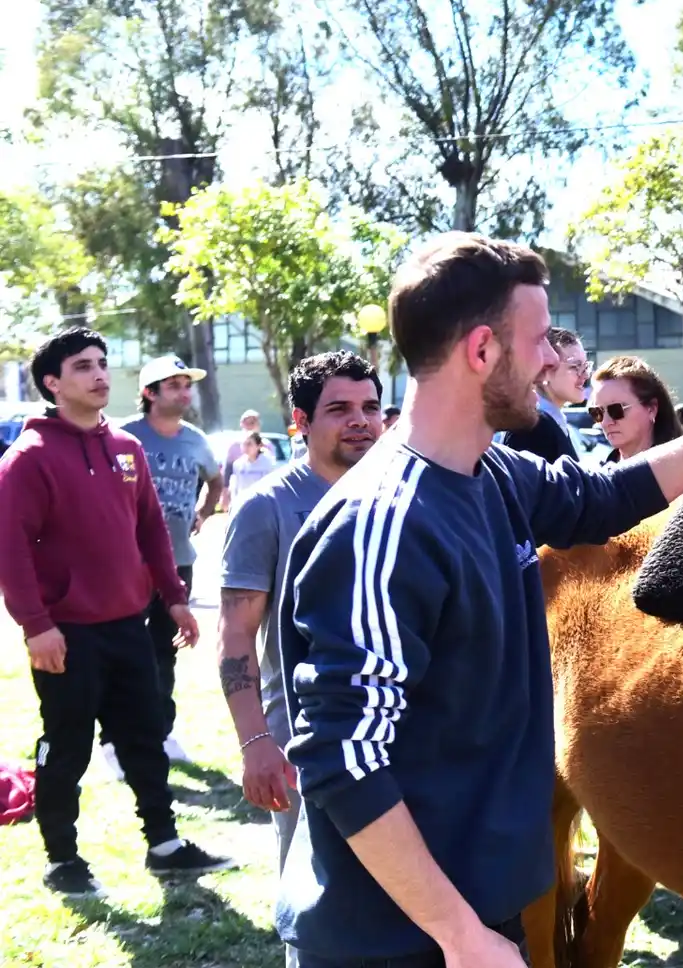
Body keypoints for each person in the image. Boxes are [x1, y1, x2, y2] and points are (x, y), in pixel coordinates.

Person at [274, 232, 683, 968]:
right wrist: (459, 936)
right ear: (480, 351)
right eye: (537, 343)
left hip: (473, 914)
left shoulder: (492, 473)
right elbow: (344, 757)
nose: (552, 363)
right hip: (397, 936)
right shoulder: (383, 526)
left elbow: (607, 498)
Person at [0, 328, 232, 897]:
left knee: (145, 734)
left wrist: (174, 597)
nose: (100, 375)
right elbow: (8, 548)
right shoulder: (27, 459)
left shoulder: (125, 449)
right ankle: (63, 861)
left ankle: (165, 845)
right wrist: (38, 627)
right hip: (67, 634)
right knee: (68, 742)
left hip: (130, 622)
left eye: (103, 364)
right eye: (83, 367)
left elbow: (151, 528)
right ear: (53, 383)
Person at [218, 351, 383, 968]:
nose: (360, 421)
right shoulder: (268, 506)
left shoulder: (405, 499)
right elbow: (236, 635)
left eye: (370, 407)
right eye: (339, 409)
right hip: (302, 743)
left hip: (399, 734)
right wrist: (255, 740)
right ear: (300, 421)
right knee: (315, 912)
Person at [110, 354, 223, 770]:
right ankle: (115, 742)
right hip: (127, 562)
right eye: (173, 385)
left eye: (186, 384)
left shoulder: (195, 439)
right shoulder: (124, 436)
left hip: (178, 561)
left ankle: (162, 731)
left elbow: (215, 480)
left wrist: (204, 511)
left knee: (166, 648)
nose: (184, 392)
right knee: (122, 649)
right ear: (149, 393)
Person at [502, 327, 590, 463]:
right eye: (575, 367)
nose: (585, 375)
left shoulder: (553, 423)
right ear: (546, 369)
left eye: (585, 366)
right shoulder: (533, 426)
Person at [591, 355, 683, 462]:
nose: (606, 422)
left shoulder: (682, 470)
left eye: (616, 410)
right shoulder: (599, 473)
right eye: (597, 412)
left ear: (651, 409)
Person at [221, 409, 262, 506]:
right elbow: (228, 471)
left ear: (258, 424)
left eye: (253, 422)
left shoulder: (267, 445)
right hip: (240, 493)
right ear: (241, 424)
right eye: (246, 422)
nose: (249, 425)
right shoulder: (234, 446)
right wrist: (225, 494)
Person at [226, 432, 276, 510]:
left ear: (259, 445)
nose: (246, 447)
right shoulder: (238, 464)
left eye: (249, 444)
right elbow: (235, 486)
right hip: (243, 505)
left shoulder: (268, 462)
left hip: (263, 504)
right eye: (244, 444)